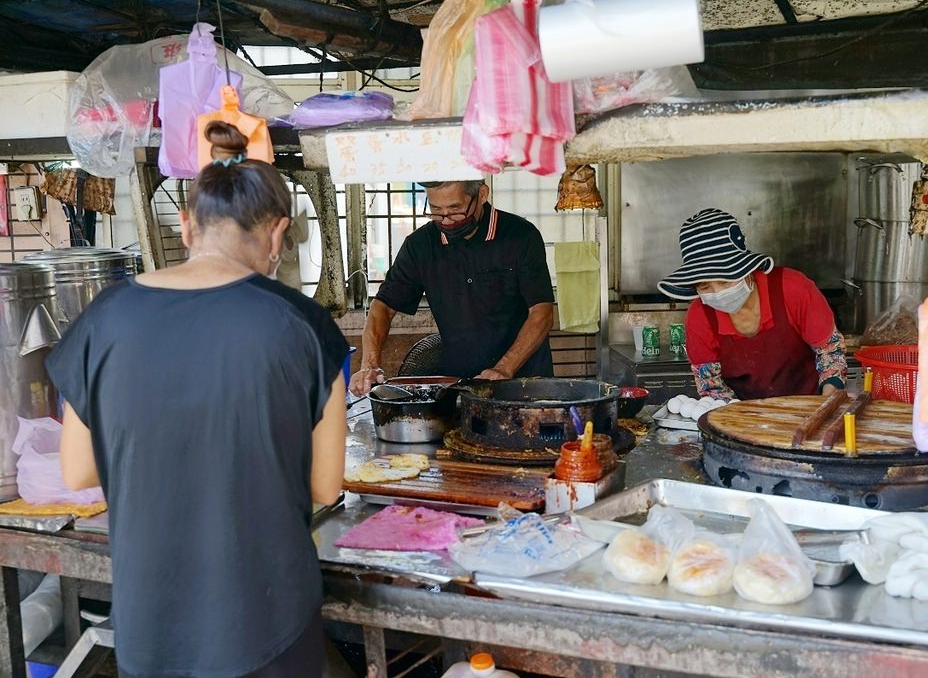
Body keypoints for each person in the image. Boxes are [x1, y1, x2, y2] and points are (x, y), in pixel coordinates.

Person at [46, 121, 348, 678]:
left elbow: (77, 468)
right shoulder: (303, 326)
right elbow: (326, 486)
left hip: (152, 621)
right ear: (279, 233)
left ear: (186, 226)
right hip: (267, 620)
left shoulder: (102, 321)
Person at [350, 179, 555, 395]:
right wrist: (369, 365)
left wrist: (504, 368)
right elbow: (383, 306)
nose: (446, 220)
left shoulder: (521, 236)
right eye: (436, 210)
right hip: (459, 386)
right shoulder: (420, 245)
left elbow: (541, 313)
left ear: (482, 195)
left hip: (526, 382)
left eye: (455, 210)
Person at [658, 208, 846, 401]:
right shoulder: (700, 318)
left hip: (809, 406)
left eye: (725, 281)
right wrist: (741, 420)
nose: (718, 293)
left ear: (746, 269)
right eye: (705, 286)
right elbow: (712, 387)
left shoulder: (793, 289)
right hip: (742, 416)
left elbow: (830, 352)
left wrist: (827, 403)